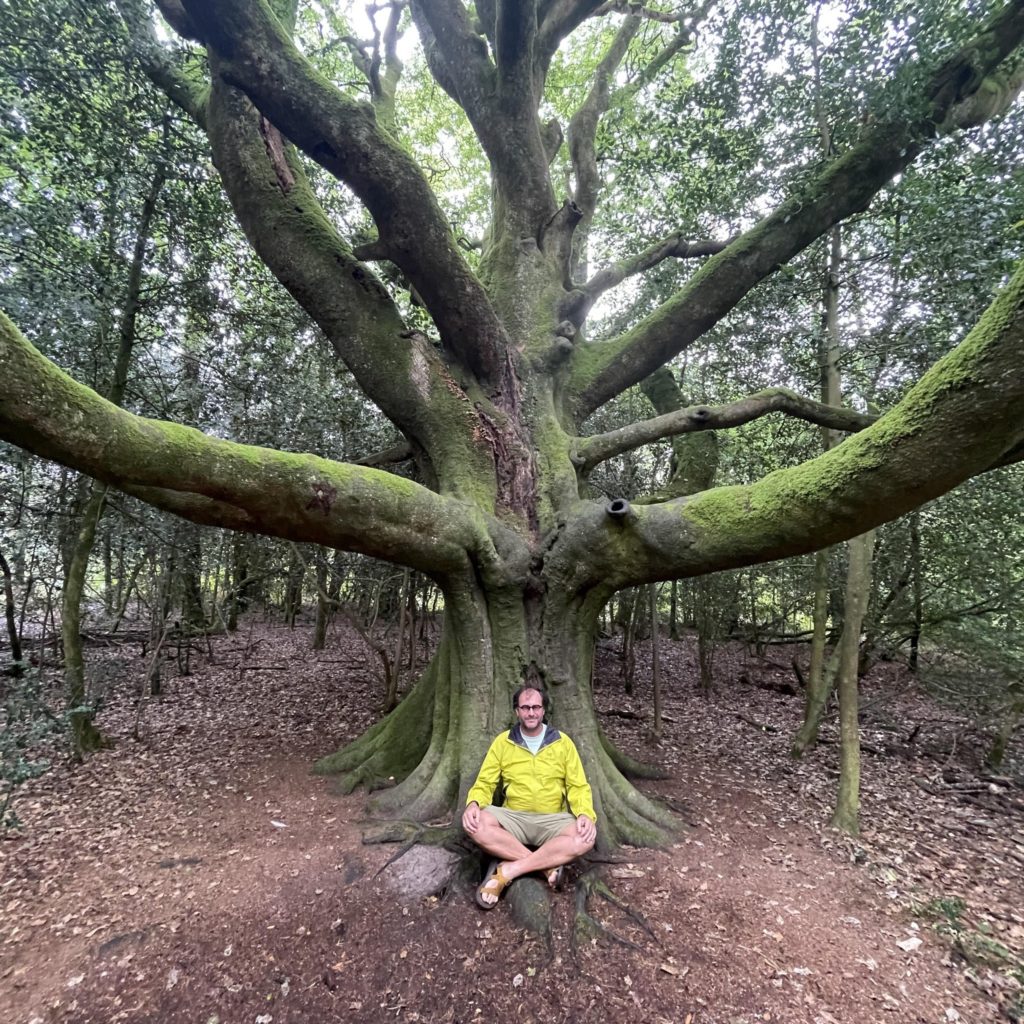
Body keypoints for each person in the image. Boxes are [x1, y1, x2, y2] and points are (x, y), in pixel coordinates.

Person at [462, 680, 597, 909]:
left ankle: (508, 870)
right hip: (514, 818)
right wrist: (473, 803)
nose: (531, 712)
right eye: (525, 708)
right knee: (474, 824)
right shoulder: (503, 743)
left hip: (552, 821)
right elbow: (485, 782)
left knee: (586, 837)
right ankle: (546, 867)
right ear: (517, 711)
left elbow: (578, 786)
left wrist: (585, 813)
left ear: (543, 710)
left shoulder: (563, 743)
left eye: (536, 707)